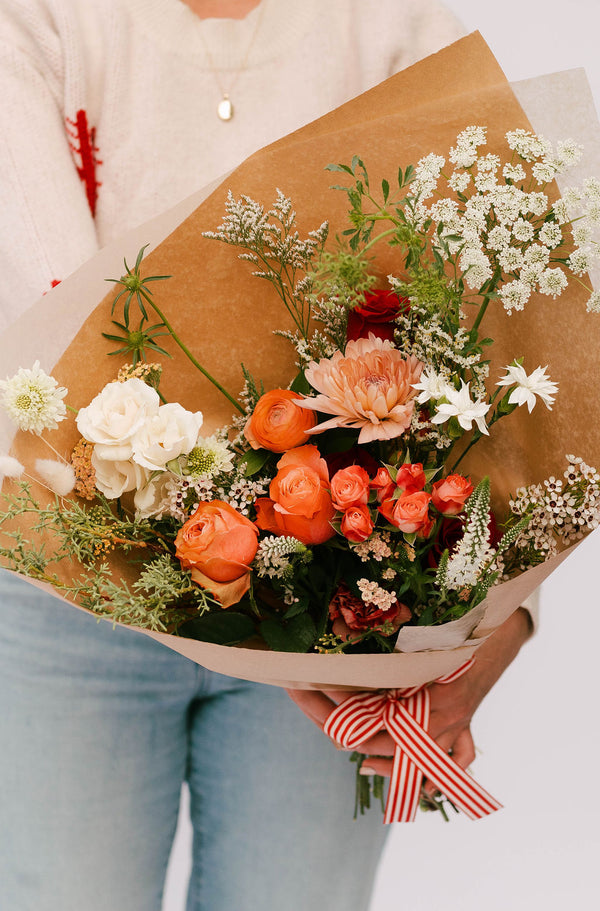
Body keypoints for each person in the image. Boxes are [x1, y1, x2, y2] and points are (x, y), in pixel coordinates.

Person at [0, 2, 535, 909]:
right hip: (65, 591)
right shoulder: (42, 17)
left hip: (333, 608)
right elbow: (47, 331)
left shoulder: (394, 21)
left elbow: (490, 340)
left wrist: (491, 624)